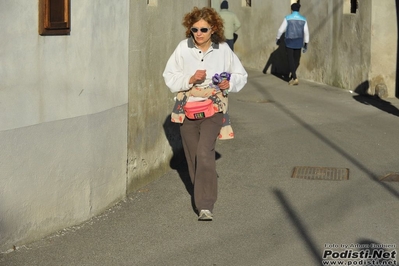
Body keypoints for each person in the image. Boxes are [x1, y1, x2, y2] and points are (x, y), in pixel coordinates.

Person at [163, 6, 247, 221]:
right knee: (192, 158)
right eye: (194, 29)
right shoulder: (183, 48)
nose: (198, 34)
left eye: (203, 29)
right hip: (187, 109)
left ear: (214, 29)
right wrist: (189, 79)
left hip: (213, 108)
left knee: (204, 152)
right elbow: (169, 76)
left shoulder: (223, 49)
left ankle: (205, 205)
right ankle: (202, 190)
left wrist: (229, 83)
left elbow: (241, 75)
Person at [276, 2, 309, 85]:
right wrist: (306, 43)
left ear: (291, 9)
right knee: (296, 60)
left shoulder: (288, 18)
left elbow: (281, 30)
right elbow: (306, 32)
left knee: (290, 60)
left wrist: (278, 38)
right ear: (299, 9)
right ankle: (293, 75)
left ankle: (294, 77)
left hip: (289, 41)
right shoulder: (303, 19)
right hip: (299, 42)